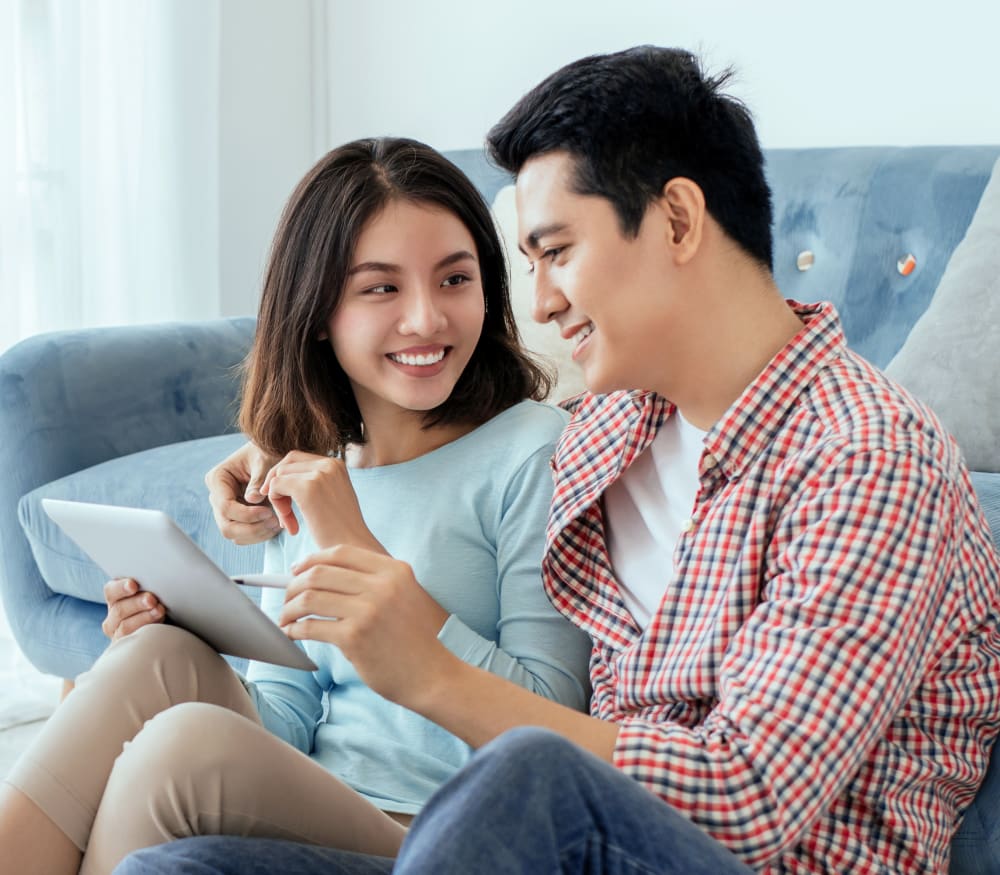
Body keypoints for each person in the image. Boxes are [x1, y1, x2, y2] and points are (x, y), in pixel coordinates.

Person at [116, 45, 1000, 875]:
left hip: (732, 855)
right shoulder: (615, 423)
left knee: (530, 776)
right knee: (181, 864)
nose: (538, 300)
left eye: (557, 253)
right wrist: (275, 455)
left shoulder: (871, 460)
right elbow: (442, 422)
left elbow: (749, 794)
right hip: (556, 845)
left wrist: (430, 670)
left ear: (679, 220)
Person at [0, 136, 592, 874]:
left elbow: (556, 715)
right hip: (321, 799)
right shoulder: (310, 472)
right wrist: (188, 626)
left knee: (182, 748)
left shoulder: (534, 451)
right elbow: (291, 714)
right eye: (381, 288)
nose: (427, 319)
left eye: (454, 279)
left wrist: (358, 554)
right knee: (158, 653)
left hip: (447, 828)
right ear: (318, 312)